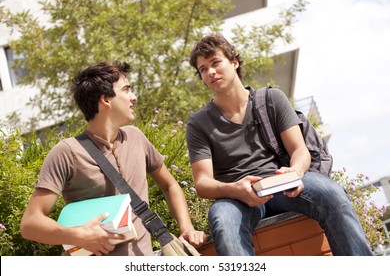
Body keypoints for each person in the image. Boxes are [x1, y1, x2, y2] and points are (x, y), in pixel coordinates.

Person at [185, 33, 373, 256]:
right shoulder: (198, 123)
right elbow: (203, 182)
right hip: (237, 197)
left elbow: (299, 151)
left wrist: (294, 172)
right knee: (223, 221)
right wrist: (235, 189)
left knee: (331, 193)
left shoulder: (271, 99)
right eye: (203, 69)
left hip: (283, 184)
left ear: (234, 62)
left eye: (215, 62)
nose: (210, 72)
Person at [20, 61, 206, 256]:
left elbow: (169, 185)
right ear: (106, 100)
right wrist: (77, 236)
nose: (134, 97)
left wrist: (187, 228)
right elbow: (30, 224)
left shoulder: (136, 137)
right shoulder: (67, 152)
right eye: (126, 90)